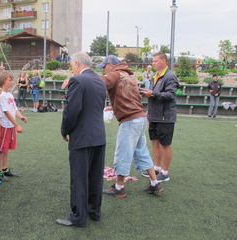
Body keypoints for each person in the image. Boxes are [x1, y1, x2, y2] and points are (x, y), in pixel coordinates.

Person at [97, 55, 163, 198]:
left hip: (130, 121)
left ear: (111, 65)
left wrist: (80, 79)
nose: (103, 69)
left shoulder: (114, 74)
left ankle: (119, 188)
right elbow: (127, 98)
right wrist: (114, 108)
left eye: (104, 66)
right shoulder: (128, 76)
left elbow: (100, 83)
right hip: (140, 118)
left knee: (122, 154)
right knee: (142, 152)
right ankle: (154, 184)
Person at [56, 52, 106, 227]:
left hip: (82, 137)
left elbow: (72, 111)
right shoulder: (100, 80)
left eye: (71, 64)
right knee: (95, 177)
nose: (71, 67)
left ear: (77, 63)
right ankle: (94, 211)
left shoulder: (78, 81)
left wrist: (64, 130)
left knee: (79, 178)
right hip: (99, 136)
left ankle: (78, 217)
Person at [141, 52, 180, 182]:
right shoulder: (156, 76)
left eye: (156, 61)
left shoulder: (170, 77)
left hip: (165, 117)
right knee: (155, 142)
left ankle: (165, 172)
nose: (153, 63)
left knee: (165, 144)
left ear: (164, 61)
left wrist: (153, 94)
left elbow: (170, 95)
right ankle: (157, 168)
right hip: (154, 116)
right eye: (153, 61)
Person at [0, 72, 27, 181]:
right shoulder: (1, 95)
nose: (12, 82)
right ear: (3, 81)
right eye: (10, 80)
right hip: (3, 124)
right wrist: (17, 125)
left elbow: (14, 109)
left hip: (9, 125)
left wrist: (20, 116)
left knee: (6, 148)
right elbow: (6, 112)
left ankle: (5, 168)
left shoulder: (10, 95)